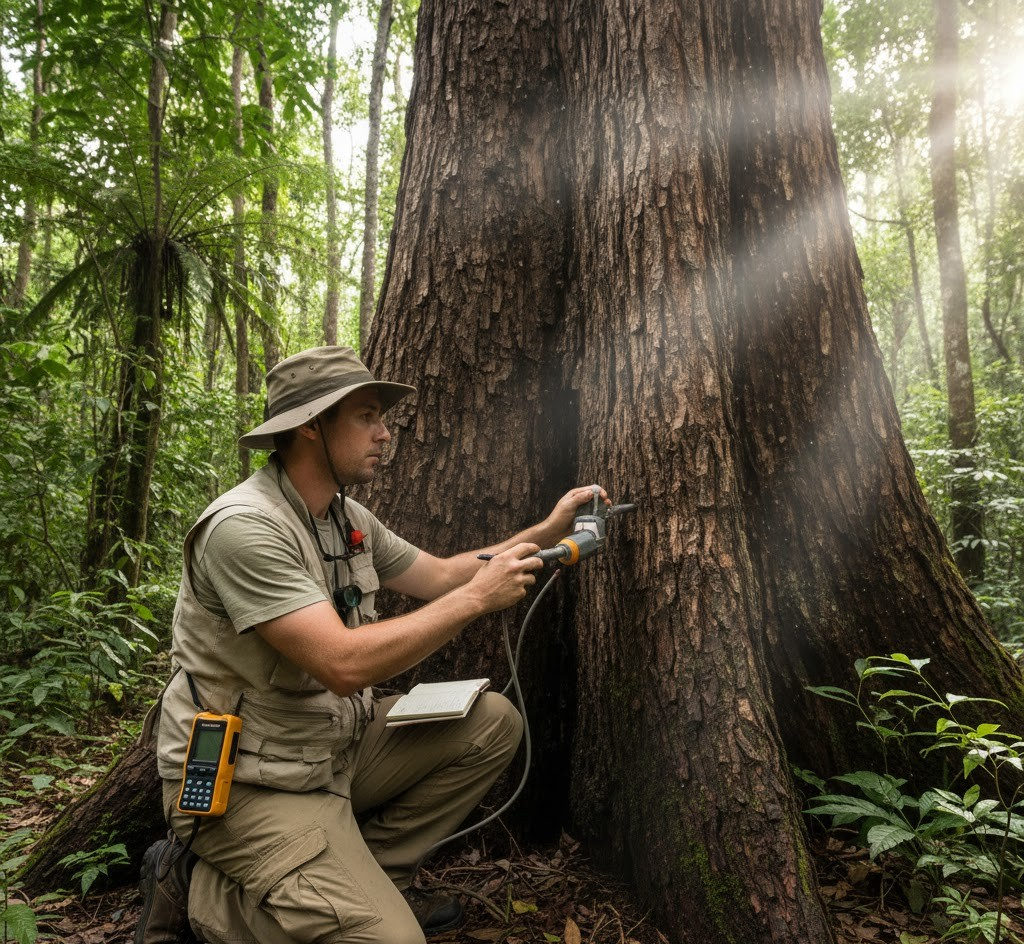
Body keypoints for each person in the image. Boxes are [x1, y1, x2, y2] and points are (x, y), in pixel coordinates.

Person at [136, 345, 609, 944]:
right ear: (310, 425)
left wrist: (546, 531)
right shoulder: (243, 529)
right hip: (252, 780)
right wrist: (476, 601)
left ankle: (381, 878)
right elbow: (341, 663)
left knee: (492, 722)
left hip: (331, 745)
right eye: (366, 416)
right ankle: (193, 891)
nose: (385, 434)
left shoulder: (343, 516)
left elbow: (438, 575)